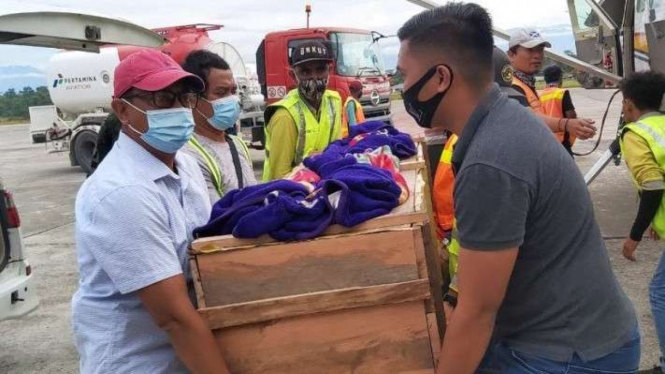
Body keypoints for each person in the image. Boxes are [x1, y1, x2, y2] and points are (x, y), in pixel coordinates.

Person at [397, 4, 638, 373]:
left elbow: (478, 314)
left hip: (571, 355)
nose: (403, 88)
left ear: (440, 78)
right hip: (589, 334)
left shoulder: (491, 160)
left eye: (405, 75)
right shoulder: (503, 120)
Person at [71, 49, 231, 374]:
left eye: (184, 98)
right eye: (162, 100)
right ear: (123, 111)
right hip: (141, 363)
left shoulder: (183, 165)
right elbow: (174, 319)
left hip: (182, 356)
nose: (180, 110)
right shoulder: (122, 191)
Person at [619, 71, 665, 370]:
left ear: (627, 103)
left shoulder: (636, 133)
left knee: (659, 293)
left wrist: (633, 237)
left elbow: (652, 186)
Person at [181, 50, 257, 204]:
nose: (231, 100)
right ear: (192, 99)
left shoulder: (237, 144)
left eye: (233, 91)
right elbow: (214, 219)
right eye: (221, 93)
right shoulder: (187, 156)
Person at [262, 40, 342, 181]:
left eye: (320, 69)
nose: (314, 77)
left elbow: (337, 150)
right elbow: (279, 177)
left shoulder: (334, 101)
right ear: (293, 76)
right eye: (305, 71)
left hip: (322, 185)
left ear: (329, 70)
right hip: (289, 194)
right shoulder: (284, 115)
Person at [508, 28, 598, 144]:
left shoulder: (526, 83)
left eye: (540, 50)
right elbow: (528, 119)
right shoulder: (511, 86)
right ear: (511, 55)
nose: (537, 56)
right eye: (530, 50)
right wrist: (566, 124)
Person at [539, 65, 578, 155]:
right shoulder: (561, 92)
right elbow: (571, 116)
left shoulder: (540, 95)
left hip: (547, 139)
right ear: (560, 78)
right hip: (562, 139)